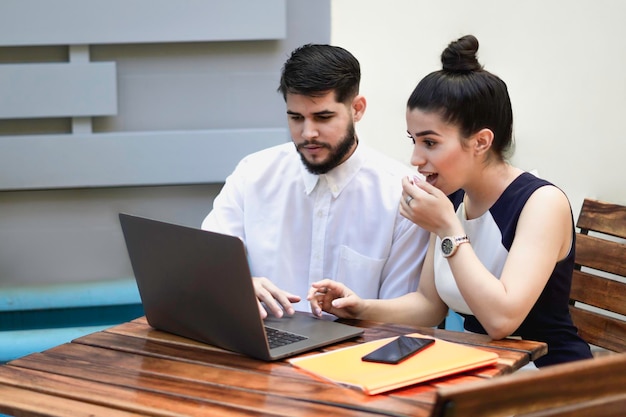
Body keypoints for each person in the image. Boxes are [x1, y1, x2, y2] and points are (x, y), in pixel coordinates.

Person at [307, 35, 592, 367]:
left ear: (481, 141)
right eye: (414, 140)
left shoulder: (542, 203)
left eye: (430, 142)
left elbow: (501, 320)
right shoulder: (452, 197)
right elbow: (430, 305)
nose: (415, 158)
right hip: (482, 369)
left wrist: (448, 228)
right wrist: (360, 308)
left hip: (549, 379)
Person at [202, 44, 429, 320]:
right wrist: (237, 285)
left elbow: (400, 317)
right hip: (264, 350)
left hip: (360, 354)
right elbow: (208, 262)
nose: (308, 133)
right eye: (296, 118)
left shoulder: (402, 194)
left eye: (323, 117)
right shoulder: (253, 174)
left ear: (357, 109)